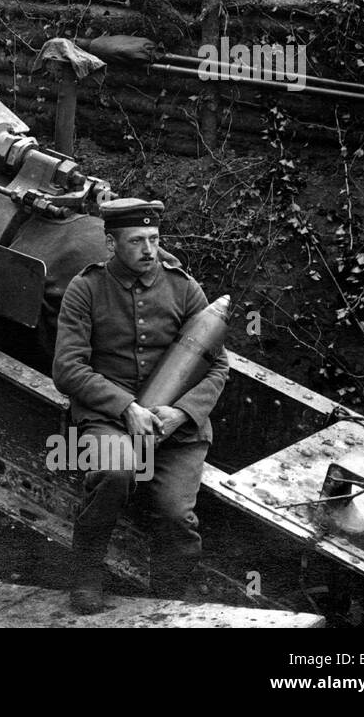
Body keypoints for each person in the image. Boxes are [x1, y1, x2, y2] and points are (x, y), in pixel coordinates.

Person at [52, 197, 229, 614]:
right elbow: (67, 368)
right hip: (109, 419)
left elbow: (217, 365)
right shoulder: (86, 288)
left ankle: (168, 597)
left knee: (176, 513)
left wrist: (181, 413)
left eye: (154, 238)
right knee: (115, 472)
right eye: (136, 241)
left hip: (176, 426)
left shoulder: (184, 288)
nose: (149, 250)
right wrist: (127, 407)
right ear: (111, 243)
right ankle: (86, 575)